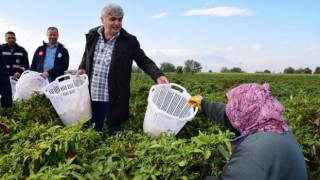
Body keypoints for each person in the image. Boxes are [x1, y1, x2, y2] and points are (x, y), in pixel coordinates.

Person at [76, 3, 169, 135]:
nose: (117, 23)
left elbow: (143, 60)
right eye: (112, 19)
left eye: (120, 19)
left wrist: (158, 75)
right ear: (102, 19)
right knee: (93, 129)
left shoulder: (129, 41)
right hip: (93, 93)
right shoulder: (93, 35)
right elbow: (87, 53)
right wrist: (82, 67)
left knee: (113, 130)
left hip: (113, 94)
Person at [188, 83, 308, 180]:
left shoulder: (254, 149)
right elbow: (233, 117)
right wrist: (204, 104)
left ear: (247, 112)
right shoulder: (276, 126)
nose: (232, 111)